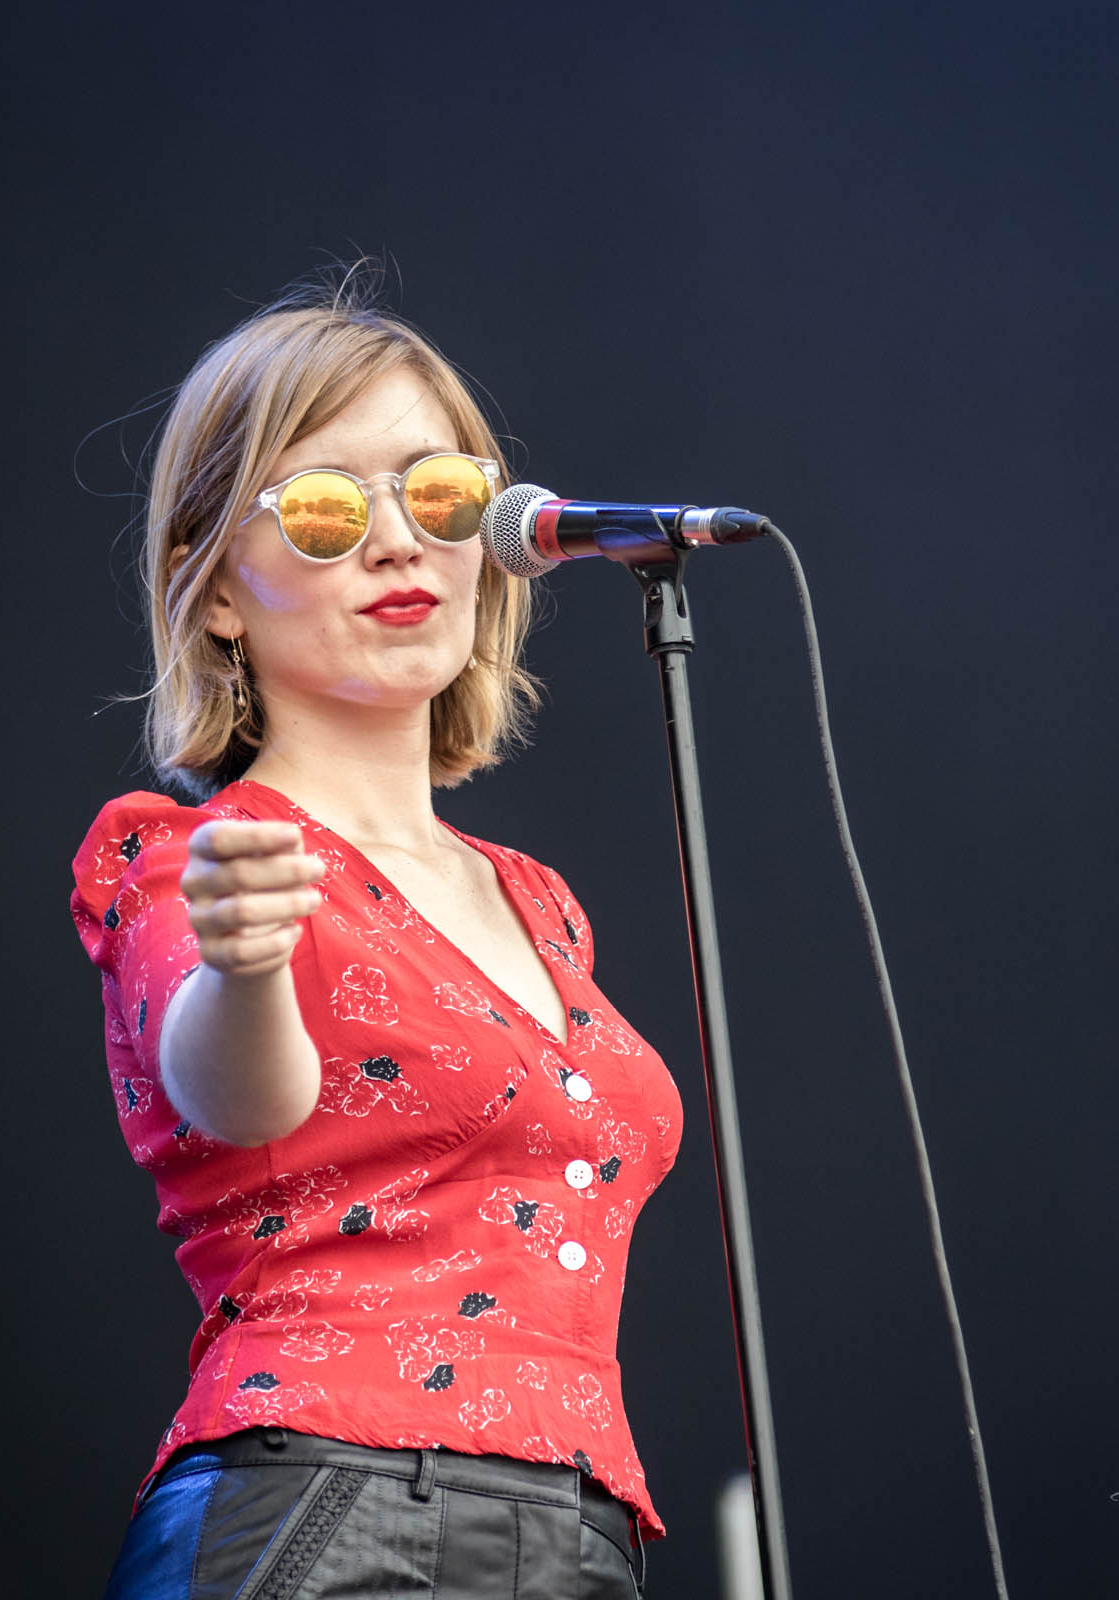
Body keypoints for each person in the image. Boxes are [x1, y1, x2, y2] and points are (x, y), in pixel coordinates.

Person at [70, 277, 683, 1599]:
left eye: (441, 494)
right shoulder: (187, 858)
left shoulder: (538, 900)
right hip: (329, 1515)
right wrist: (244, 963)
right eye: (329, 508)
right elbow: (237, 1094)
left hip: (583, 1538)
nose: (400, 541)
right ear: (216, 590)